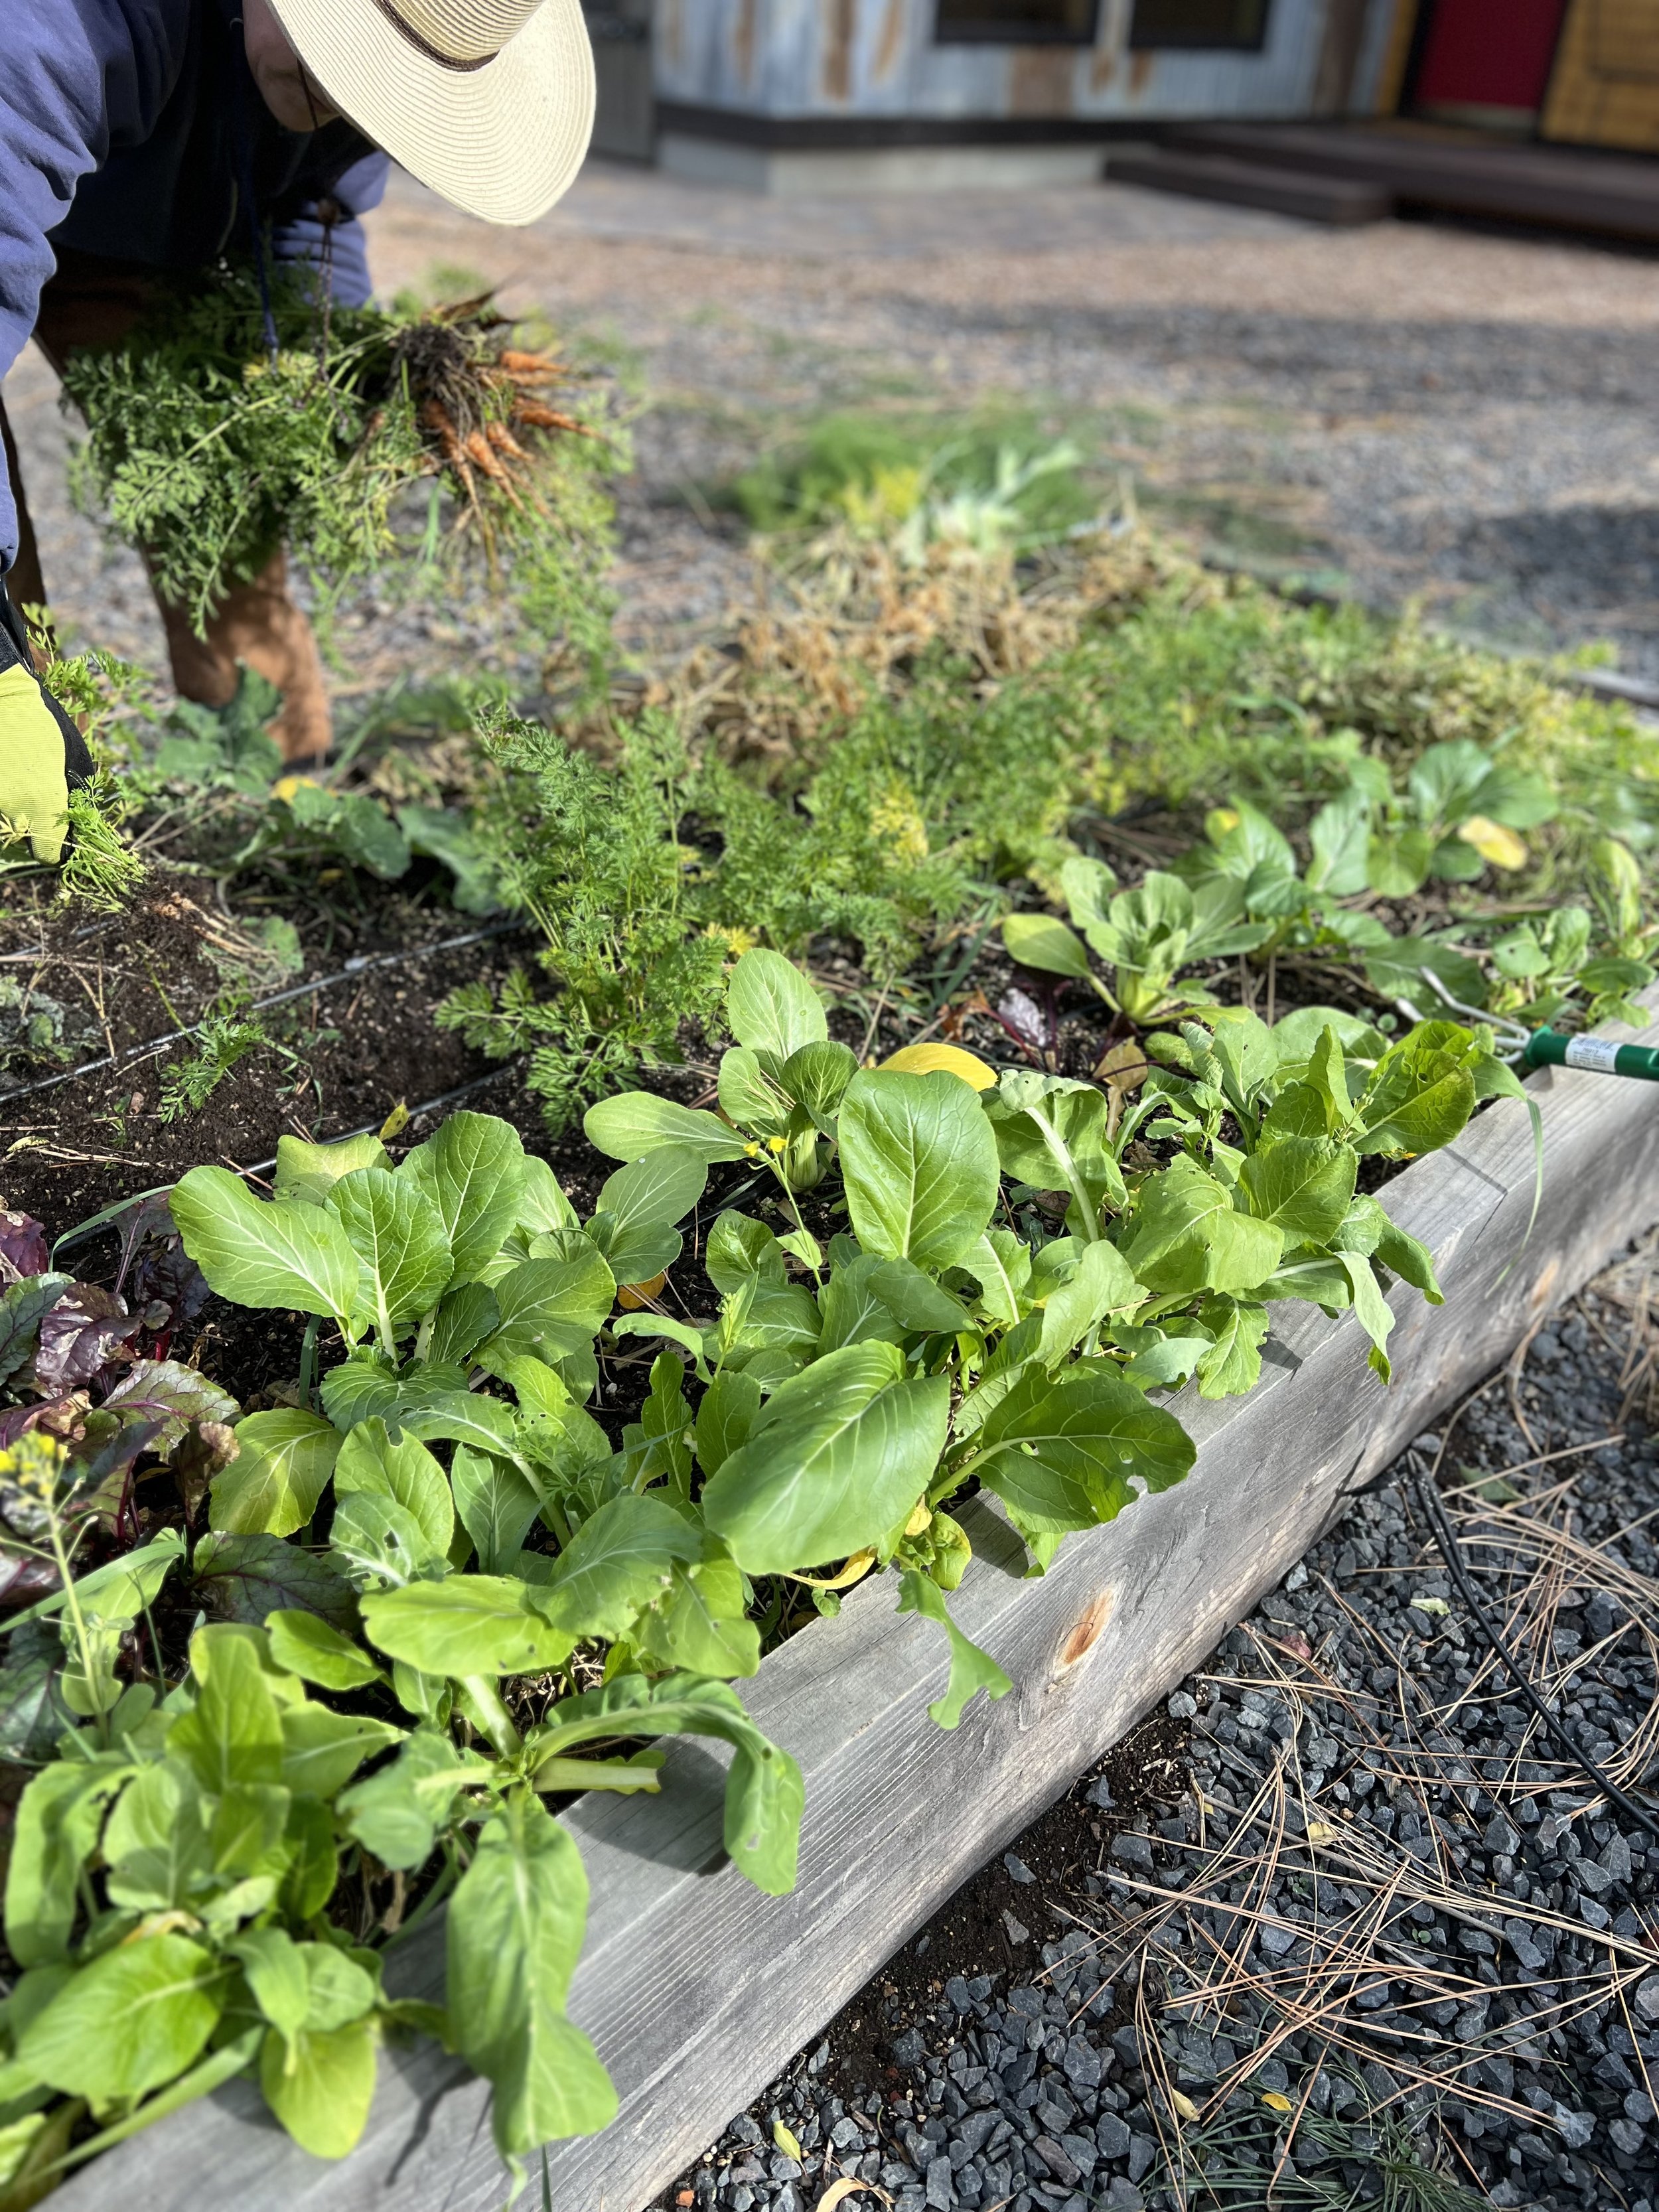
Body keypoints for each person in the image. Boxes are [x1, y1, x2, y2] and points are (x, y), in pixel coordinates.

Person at [0, 0, 594, 861]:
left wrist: (333, 378)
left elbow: (315, 215)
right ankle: (32, 827)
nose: (345, 102)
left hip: (134, 229)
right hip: (25, 153)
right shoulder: (64, 30)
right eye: (345, 59)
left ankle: (282, 799)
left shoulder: (339, 84)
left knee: (221, 497)